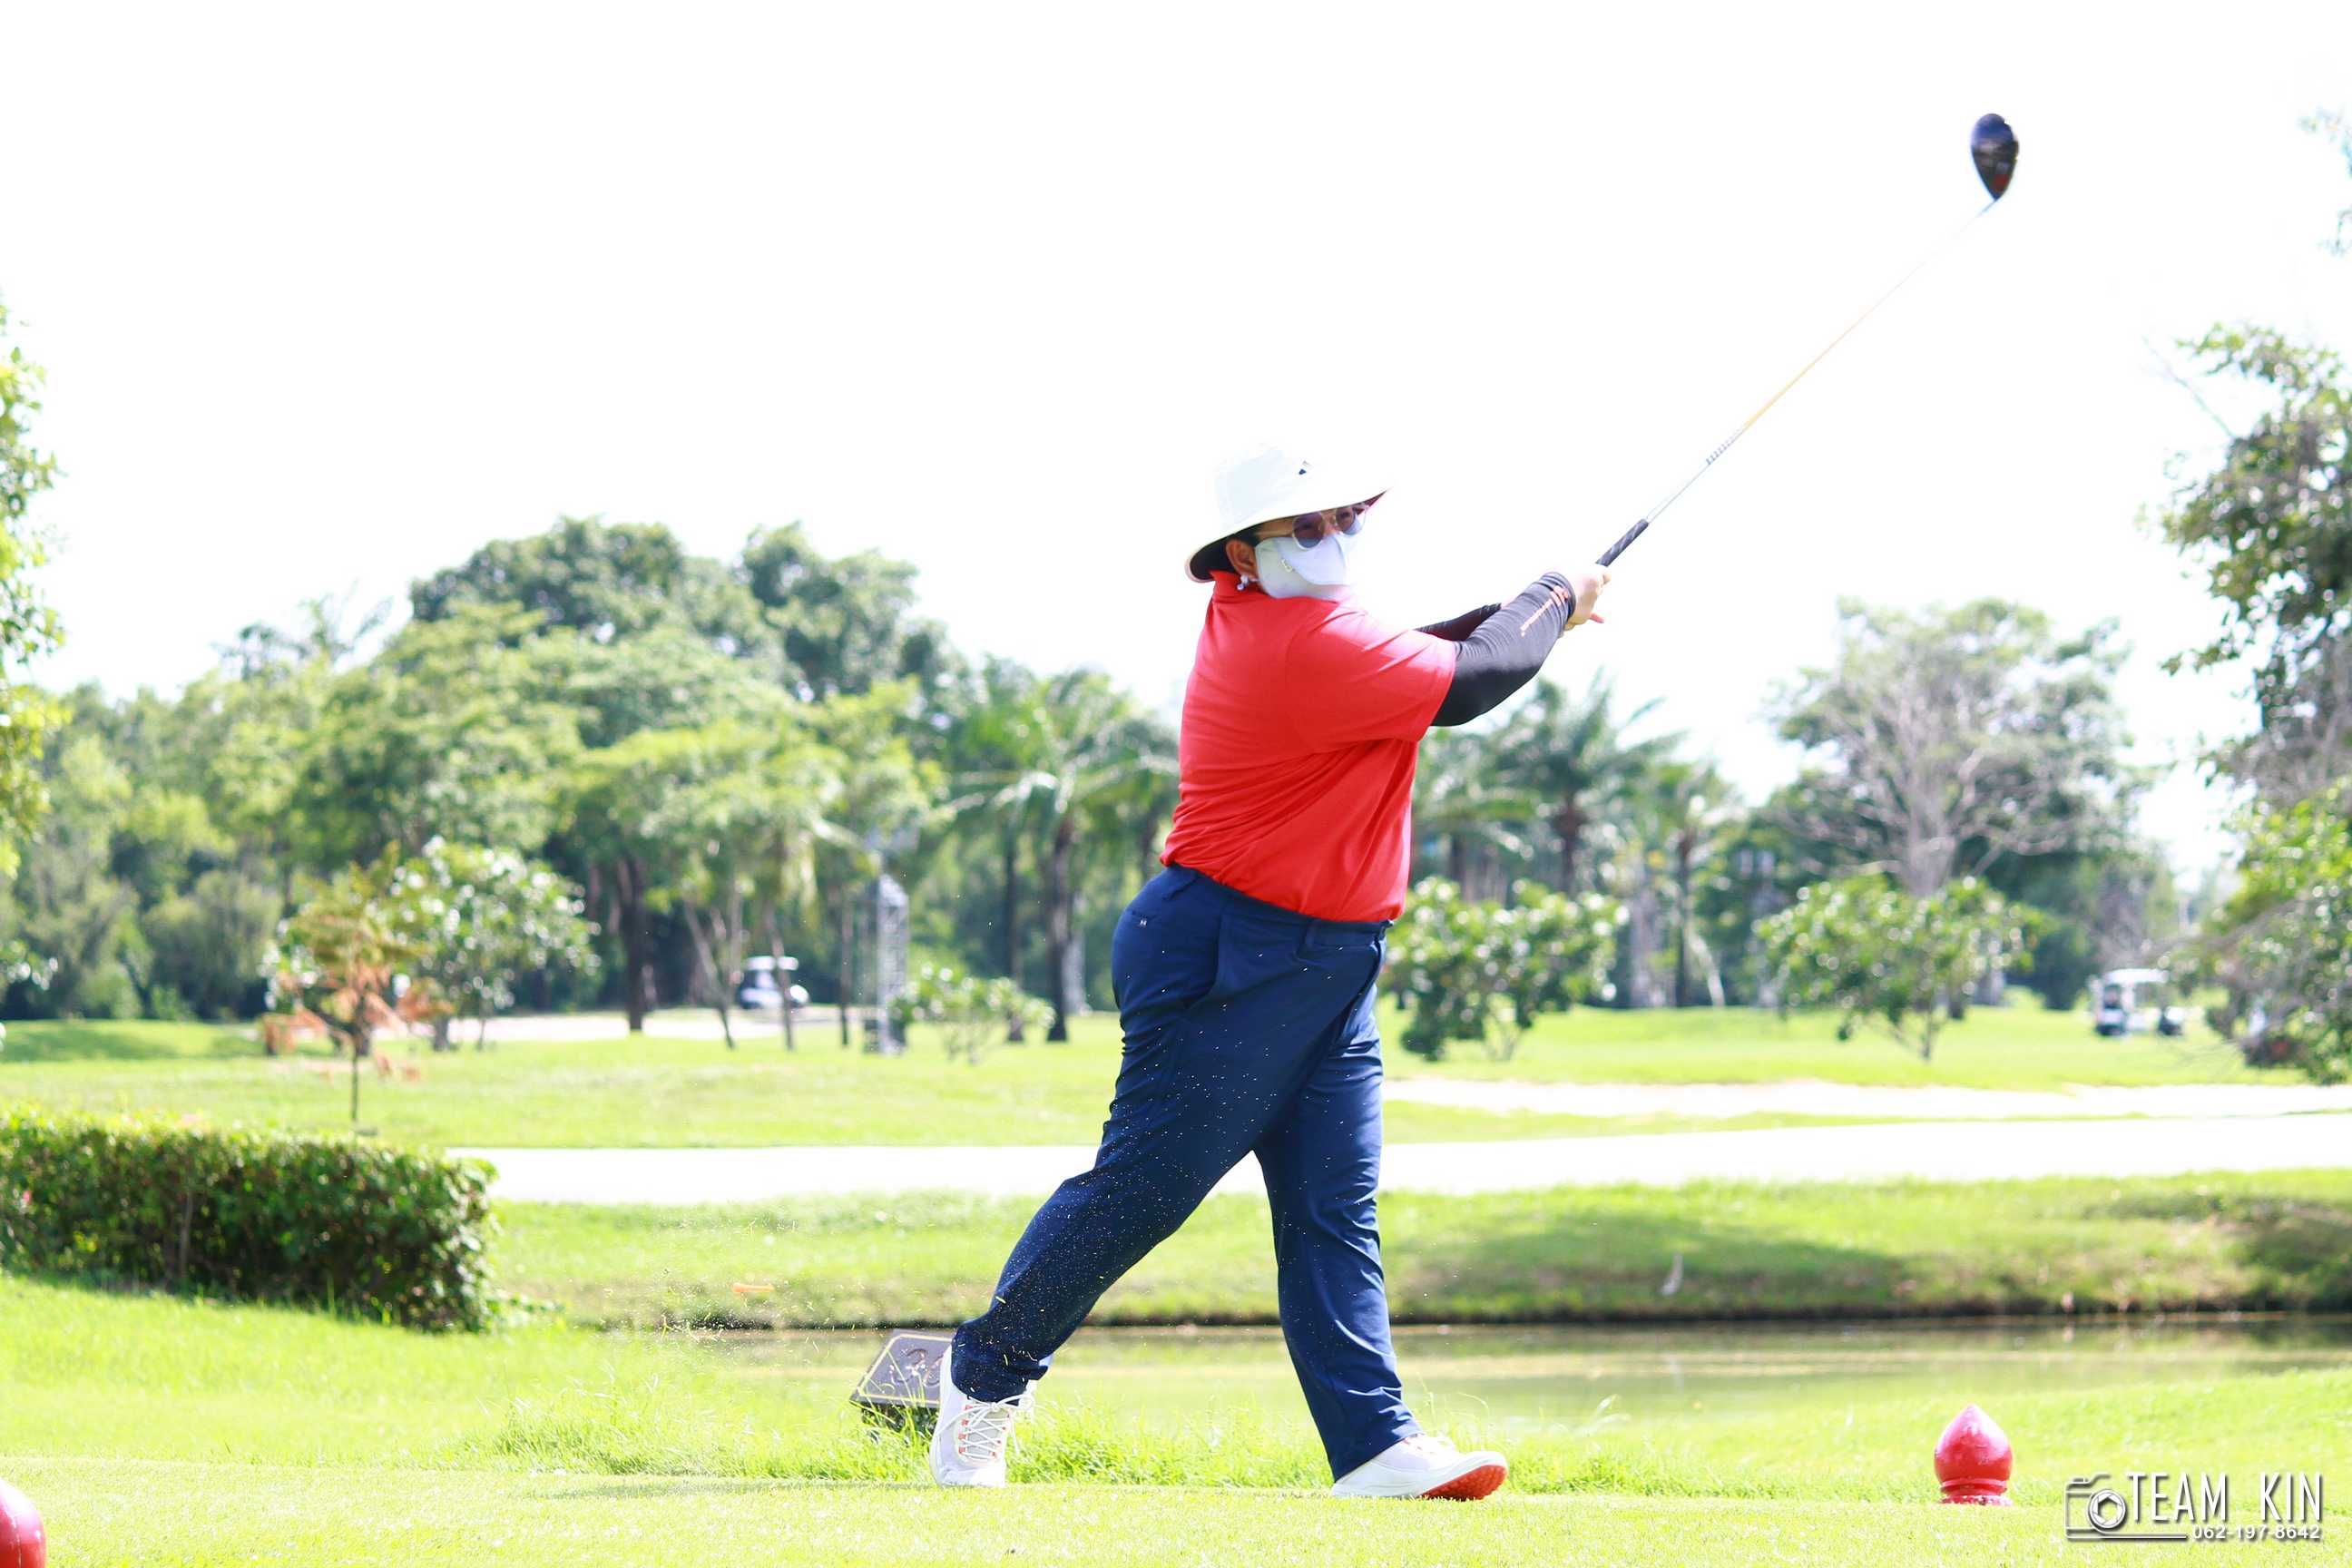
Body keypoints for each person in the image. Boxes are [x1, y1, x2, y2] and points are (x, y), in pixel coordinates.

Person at [931, 447, 1611, 1500]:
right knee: (1144, 1193)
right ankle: (980, 1382)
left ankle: (1374, 1446)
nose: (1331, 538)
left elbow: (1446, 650)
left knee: (1333, 1208)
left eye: (1344, 518)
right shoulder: (1301, 643)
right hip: (1229, 952)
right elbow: (1473, 681)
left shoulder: (1312, 630)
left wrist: (1532, 612)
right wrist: (1553, 593)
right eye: (1304, 526)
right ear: (1242, 553)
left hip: (1332, 959)